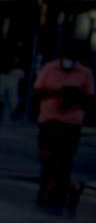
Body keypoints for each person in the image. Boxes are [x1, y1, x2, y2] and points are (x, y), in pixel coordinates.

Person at [33, 39, 94, 209]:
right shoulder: (49, 68)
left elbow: (90, 98)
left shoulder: (85, 73)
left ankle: (55, 194)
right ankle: (68, 187)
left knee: (65, 159)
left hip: (71, 123)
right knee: (47, 156)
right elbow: (37, 90)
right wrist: (59, 92)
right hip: (49, 120)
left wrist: (75, 97)